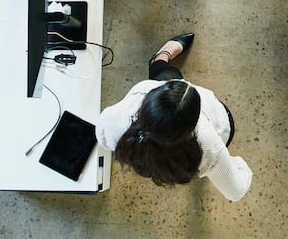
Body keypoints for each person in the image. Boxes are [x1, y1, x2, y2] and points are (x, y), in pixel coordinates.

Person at [96, 33, 252, 202]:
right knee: (170, 73)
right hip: (205, 144)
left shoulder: (135, 98)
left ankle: (161, 58)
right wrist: (236, 164)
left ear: (147, 103)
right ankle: (160, 60)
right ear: (193, 124)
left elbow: (103, 136)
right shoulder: (209, 143)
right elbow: (235, 191)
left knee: (165, 73)